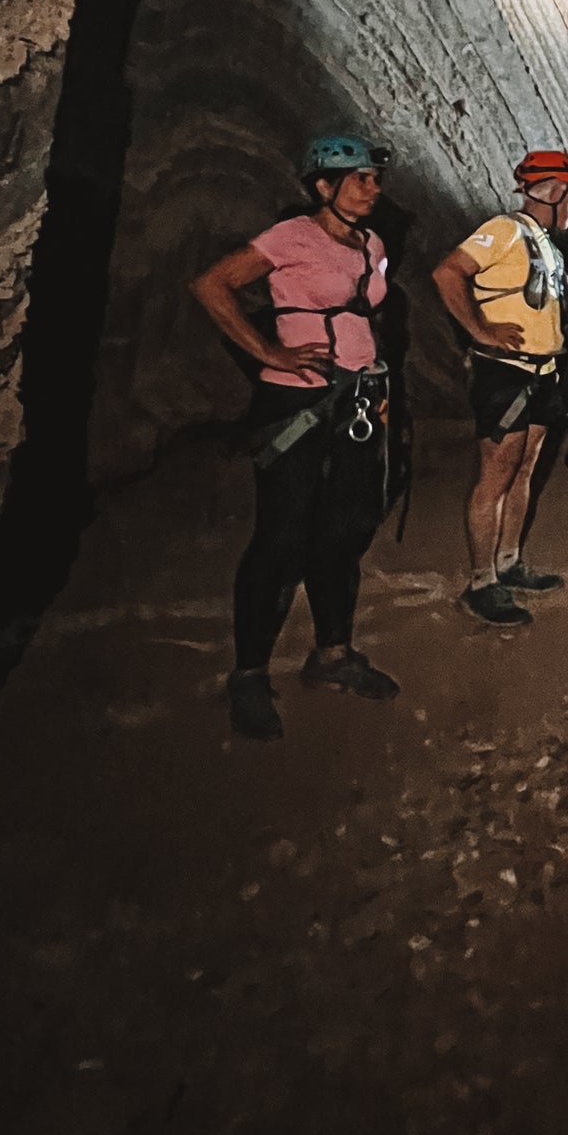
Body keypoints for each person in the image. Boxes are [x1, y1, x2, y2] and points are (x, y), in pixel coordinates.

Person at [190, 134, 401, 742]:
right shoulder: (291, 237)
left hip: (357, 399)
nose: (372, 187)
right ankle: (250, 674)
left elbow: (368, 313)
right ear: (322, 187)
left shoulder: (373, 244)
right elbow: (212, 285)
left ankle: (332, 654)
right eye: (359, 178)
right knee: (282, 534)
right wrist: (268, 350)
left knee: (346, 525)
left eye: (373, 178)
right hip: (296, 399)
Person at [431, 147, 568, 628]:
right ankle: (481, 582)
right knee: (497, 475)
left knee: (525, 471)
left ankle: (509, 562)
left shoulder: (546, 244)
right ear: (555, 192)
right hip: (506, 373)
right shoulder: (504, 230)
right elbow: (447, 272)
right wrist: (479, 329)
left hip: (542, 373)